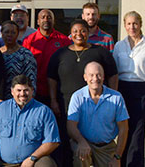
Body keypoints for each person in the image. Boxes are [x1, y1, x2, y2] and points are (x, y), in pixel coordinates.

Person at [47, 19, 117, 166]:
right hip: (65, 106)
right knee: (66, 143)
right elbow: (51, 78)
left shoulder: (99, 52)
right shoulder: (60, 54)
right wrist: (53, 100)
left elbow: (113, 75)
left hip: (94, 106)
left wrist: (113, 98)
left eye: (83, 31)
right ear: (70, 34)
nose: (79, 34)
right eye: (75, 31)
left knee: (87, 145)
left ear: (88, 33)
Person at [112, 11, 145, 167]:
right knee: (123, 130)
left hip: (140, 91)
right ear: (125, 25)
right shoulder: (119, 46)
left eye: (135, 23)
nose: (132, 27)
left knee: (137, 133)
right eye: (129, 24)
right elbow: (115, 72)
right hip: (122, 90)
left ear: (140, 24)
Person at [0, 75, 59, 167]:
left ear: (32, 91)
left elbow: (53, 141)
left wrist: (32, 158)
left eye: (26, 90)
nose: (22, 94)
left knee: (46, 164)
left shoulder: (43, 111)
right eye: (19, 90)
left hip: (34, 161)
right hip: (6, 164)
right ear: (12, 91)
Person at [67, 62, 129, 167]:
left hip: (106, 146)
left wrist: (117, 157)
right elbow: (71, 125)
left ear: (103, 77)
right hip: (84, 142)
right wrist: (81, 141)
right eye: (91, 75)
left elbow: (123, 128)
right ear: (85, 77)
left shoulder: (116, 97)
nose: (95, 78)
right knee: (80, 156)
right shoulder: (77, 97)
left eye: (98, 74)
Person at [22, 9, 70, 105]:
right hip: (35, 90)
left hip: (58, 90)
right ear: (38, 21)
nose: (46, 19)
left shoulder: (64, 40)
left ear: (54, 21)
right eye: (43, 17)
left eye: (49, 17)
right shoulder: (29, 41)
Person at [0, 21, 37, 100]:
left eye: (13, 32)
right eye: (6, 32)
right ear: (1, 33)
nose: (9, 35)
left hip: (20, 99)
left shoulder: (25, 54)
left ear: (18, 34)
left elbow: (31, 80)